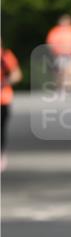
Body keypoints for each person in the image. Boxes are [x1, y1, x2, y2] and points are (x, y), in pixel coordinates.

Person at [45, 14, 71, 95]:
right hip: (59, 55)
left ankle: (69, 88)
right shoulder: (55, 31)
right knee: (60, 72)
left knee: (70, 71)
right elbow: (49, 44)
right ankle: (60, 88)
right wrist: (53, 53)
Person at [0, 41, 22, 172]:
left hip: (3, 99)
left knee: (1, 129)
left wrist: (4, 82)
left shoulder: (6, 57)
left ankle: (1, 154)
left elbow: (17, 75)